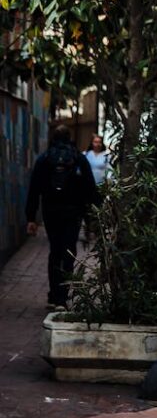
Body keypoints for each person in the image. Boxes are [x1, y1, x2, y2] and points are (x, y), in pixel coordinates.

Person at [26, 124, 98, 310]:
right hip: (73, 212)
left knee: (55, 251)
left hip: (51, 211)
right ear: (69, 137)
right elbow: (90, 189)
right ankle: (61, 298)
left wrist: (31, 217)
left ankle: (53, 294)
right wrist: (94, 216)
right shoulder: (79, 159)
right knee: (68, 252)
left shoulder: (44, 159)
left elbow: (34, 189)